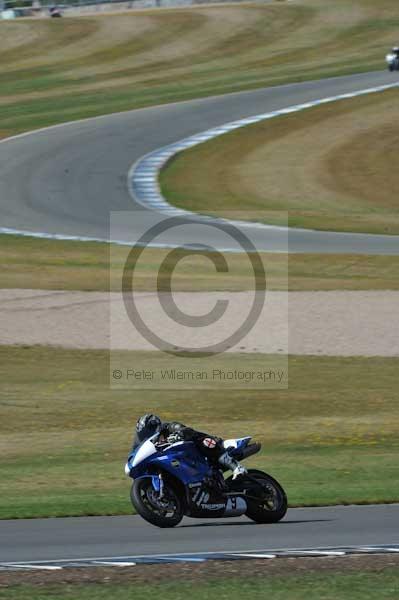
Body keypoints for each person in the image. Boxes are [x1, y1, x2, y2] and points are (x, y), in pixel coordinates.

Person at [131, 414, 247, 480]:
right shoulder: (154, 445)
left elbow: (186, 430)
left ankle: (236, 467)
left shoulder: (169, 427)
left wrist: (179, 434)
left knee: (201, 440)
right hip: (185, 462)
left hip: (205, 450)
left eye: (148, 431)